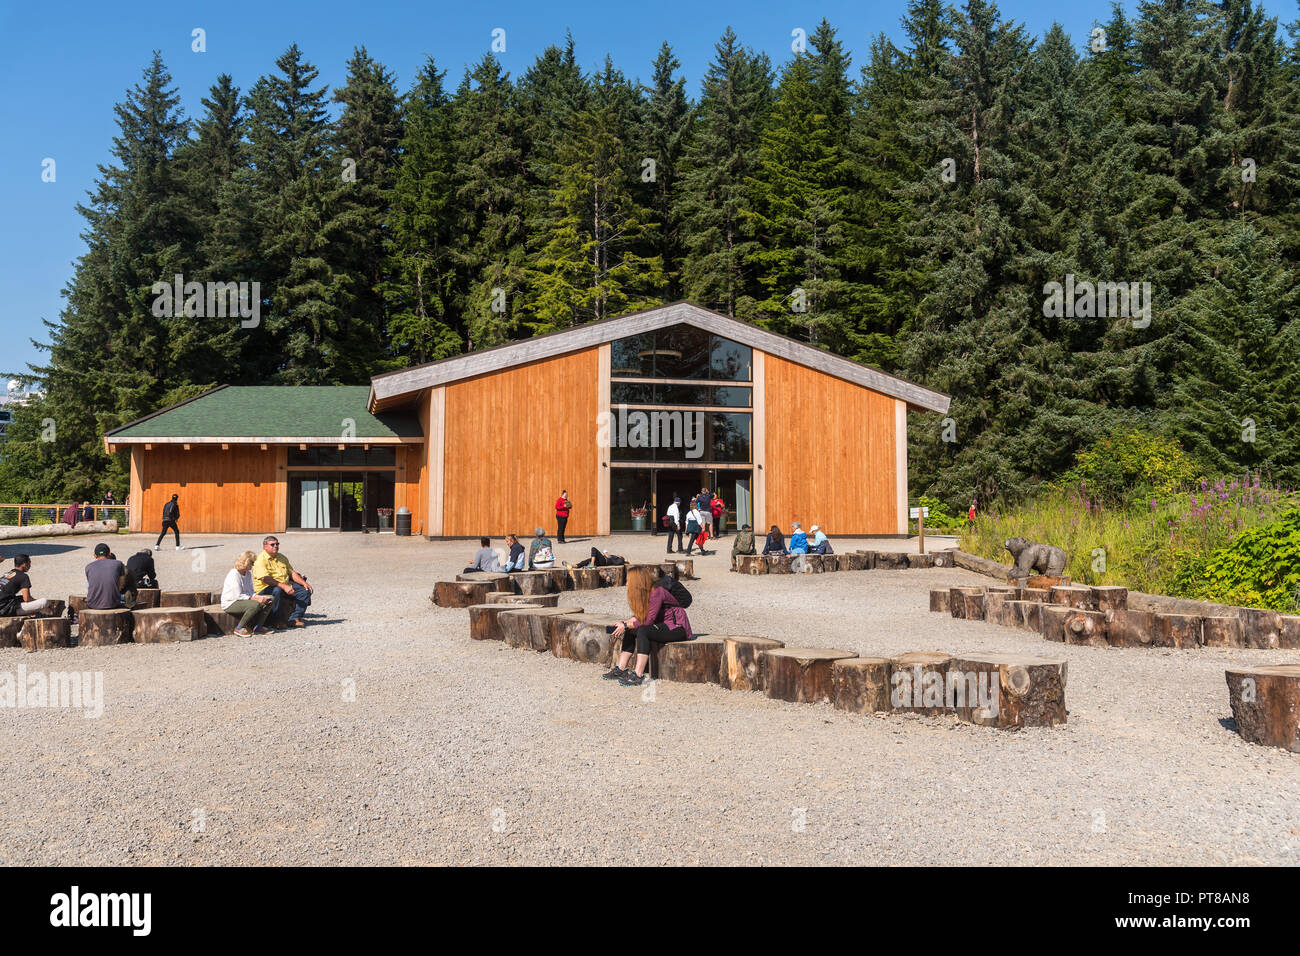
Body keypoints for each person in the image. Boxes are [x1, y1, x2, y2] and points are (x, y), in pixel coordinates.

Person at [602, 575, 694, 686]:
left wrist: (626, 625)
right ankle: (621, 670)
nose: (626, 584)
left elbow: (648, 621)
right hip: (662, 625)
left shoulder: (656, 592)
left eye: (628, 580)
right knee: (631, 630)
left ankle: (638, 675)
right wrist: (624, 623)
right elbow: (639, 616)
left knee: (643, 631)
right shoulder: (645, 594)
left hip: (677, 628)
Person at [252, 536, 313, 628]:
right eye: (272, 544)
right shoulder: (260, 560)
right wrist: (284, 586)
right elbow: (265, 578)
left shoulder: (282, 557)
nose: (276, 546)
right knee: (277, 590)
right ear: (265, 547)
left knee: (305, 591)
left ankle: (294, 619)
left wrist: (304, 583)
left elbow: (292, 573)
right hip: (265, 589)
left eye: (277, 544)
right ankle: (276, 621)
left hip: (285, 585)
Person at [222, 550, 274, 636]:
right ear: (246, 562)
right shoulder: (234, 574)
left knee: (270, 599)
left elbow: (250, 591)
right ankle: (239, 628)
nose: (253, 565)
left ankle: (258, 627)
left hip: (243, 600)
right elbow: (237, 595)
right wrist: (256, 599)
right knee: (255, 604)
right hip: (231, 603)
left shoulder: (248, 573)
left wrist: (258, 597)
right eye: (252, 563)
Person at [84, 543, 126, 610]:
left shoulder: (88, 567)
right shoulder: (118, 564)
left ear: (95, 556)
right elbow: (121, 585)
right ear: (109, 554)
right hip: (113, 603)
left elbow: (91, 584)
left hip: (92, 604)